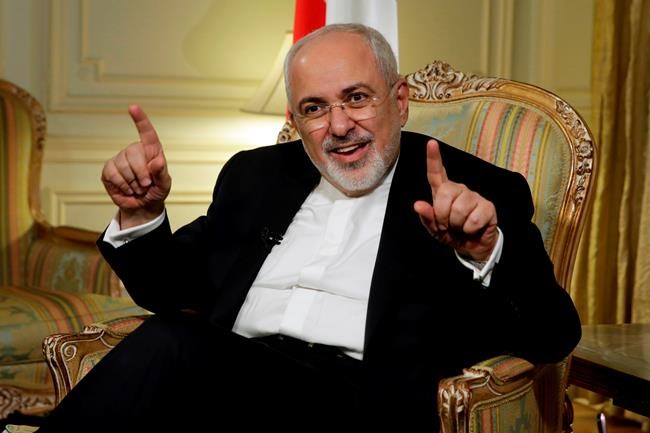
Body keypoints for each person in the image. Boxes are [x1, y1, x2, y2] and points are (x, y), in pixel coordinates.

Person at [37, 23, 581, 432]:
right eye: (314, 108)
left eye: (357, 98)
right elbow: (171, 291)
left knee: (167, 346)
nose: (339, 126)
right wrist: (142, 213)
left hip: (355, 404)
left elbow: (553, 335)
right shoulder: (257, 175)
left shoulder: (472, 189)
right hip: (226, 385)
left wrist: (485, 251)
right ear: (295, 119)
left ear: (399, 101)